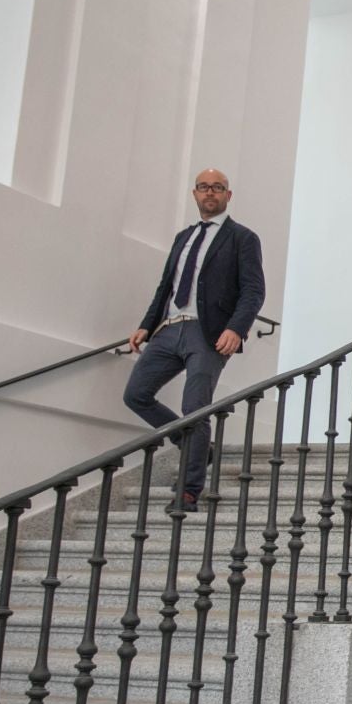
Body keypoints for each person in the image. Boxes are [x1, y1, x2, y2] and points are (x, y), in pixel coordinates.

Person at [124, 168, 266, 514]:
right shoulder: (183, 238)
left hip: (209, 334)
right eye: (204, 187)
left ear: (228, 195)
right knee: (136, 394)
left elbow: (253, 290)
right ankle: (193, 444)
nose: (210, 192)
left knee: (195, 408)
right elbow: (166, 286)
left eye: (217, 187)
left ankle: (188, 490)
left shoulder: (242, 238)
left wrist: (236, 328)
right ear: (195, 193)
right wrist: (146, 325)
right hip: (169, 329)